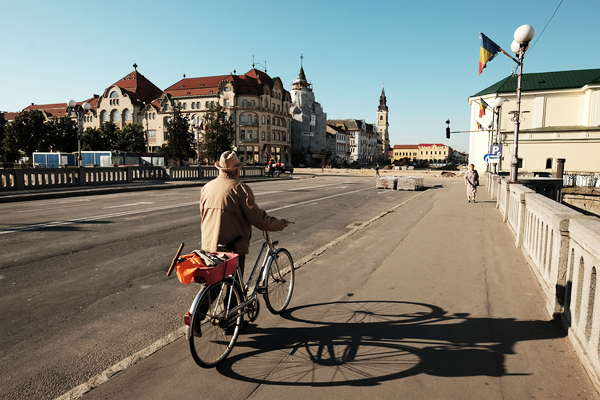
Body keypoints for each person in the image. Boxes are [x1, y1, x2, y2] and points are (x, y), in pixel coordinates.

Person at [200, 151, 291, 281]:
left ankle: (203, 301)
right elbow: (258, 219)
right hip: (232, 247)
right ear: (237, 170)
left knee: (213, 286)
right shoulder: (240, 188)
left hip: (209, 246)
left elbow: (203, 215)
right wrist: (280, 224)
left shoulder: (206, 187)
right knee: (234, 288)